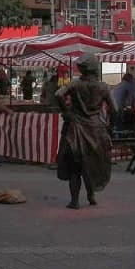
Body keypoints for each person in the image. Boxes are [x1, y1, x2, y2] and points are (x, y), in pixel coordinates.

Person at [55, 54, 115, 209]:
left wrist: (66, 111)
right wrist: (109, 125)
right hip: (96, 130)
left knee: (76, 167)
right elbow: (115, 109)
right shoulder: (103, 87)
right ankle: (91, 196)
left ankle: (74, 201)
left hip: (76, 129)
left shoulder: (75, 84)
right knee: (91, 164)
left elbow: (58, 94)